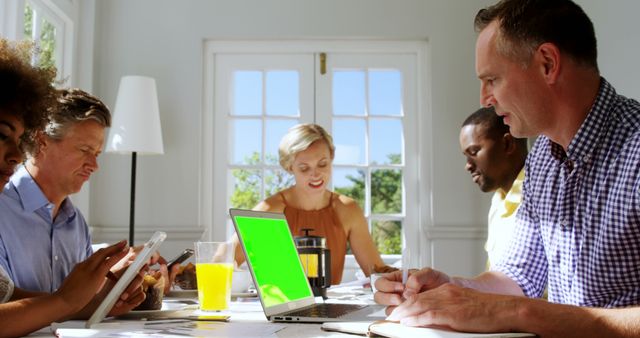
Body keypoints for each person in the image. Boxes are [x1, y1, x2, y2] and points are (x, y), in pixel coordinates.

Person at [374, 0, 640, 336]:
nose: (485, 98)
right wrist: (450, 288)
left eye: (492, 79)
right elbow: (519, 276)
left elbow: (521, 304)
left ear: (547, 63)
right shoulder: (543, 154)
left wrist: (523, 313)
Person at [0, 38, 144, 337]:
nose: (94, 165)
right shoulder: (3, 205)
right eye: (83, 150)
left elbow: (57, 301)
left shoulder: (74, 222)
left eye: (97, 154)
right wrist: (75, 300)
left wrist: (106, 298)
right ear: (40, 142)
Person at [233, 123, 396, 284]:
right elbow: (224, 258)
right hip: (282, 307)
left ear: (331, 156)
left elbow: (376, 272)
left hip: (329, 307)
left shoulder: (347, 210)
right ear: (290, 167)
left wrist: (406, 277)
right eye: (304, 168)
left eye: (322, 164)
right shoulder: (270, 210)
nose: (316, 174)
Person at [459, 106, 527, 267]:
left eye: (474, 152)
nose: (467, 166)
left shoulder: (542, 198)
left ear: (507, 144)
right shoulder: (498, 202)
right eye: (466, 156)